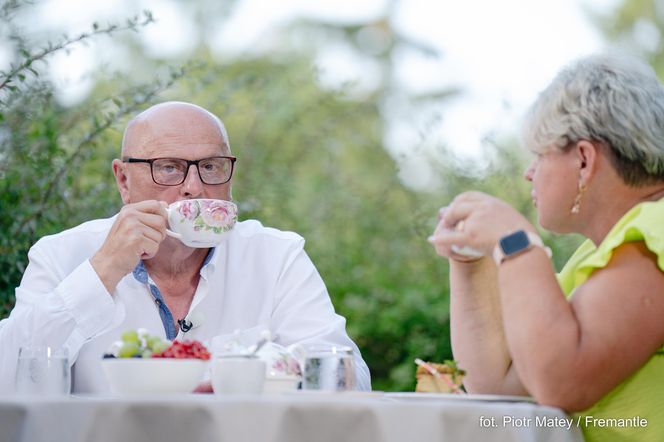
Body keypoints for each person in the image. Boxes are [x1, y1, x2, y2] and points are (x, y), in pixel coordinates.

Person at [0, 101, 371, 393]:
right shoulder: (63, 254)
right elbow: (12, 375)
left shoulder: (275, 257)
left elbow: (344, 373)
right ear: (123, 179)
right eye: (168, 167)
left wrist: (250, 375)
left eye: (210, 167)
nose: (193, 186)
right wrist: (102, 272)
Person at [429, 53, 664, 441]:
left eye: (540, 154)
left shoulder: (655, 231)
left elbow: (564, 381)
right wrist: (469, 261)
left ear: (584, 160)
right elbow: (497, 384)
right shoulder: (600, 252)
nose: (529, 173)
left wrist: (516, 243)